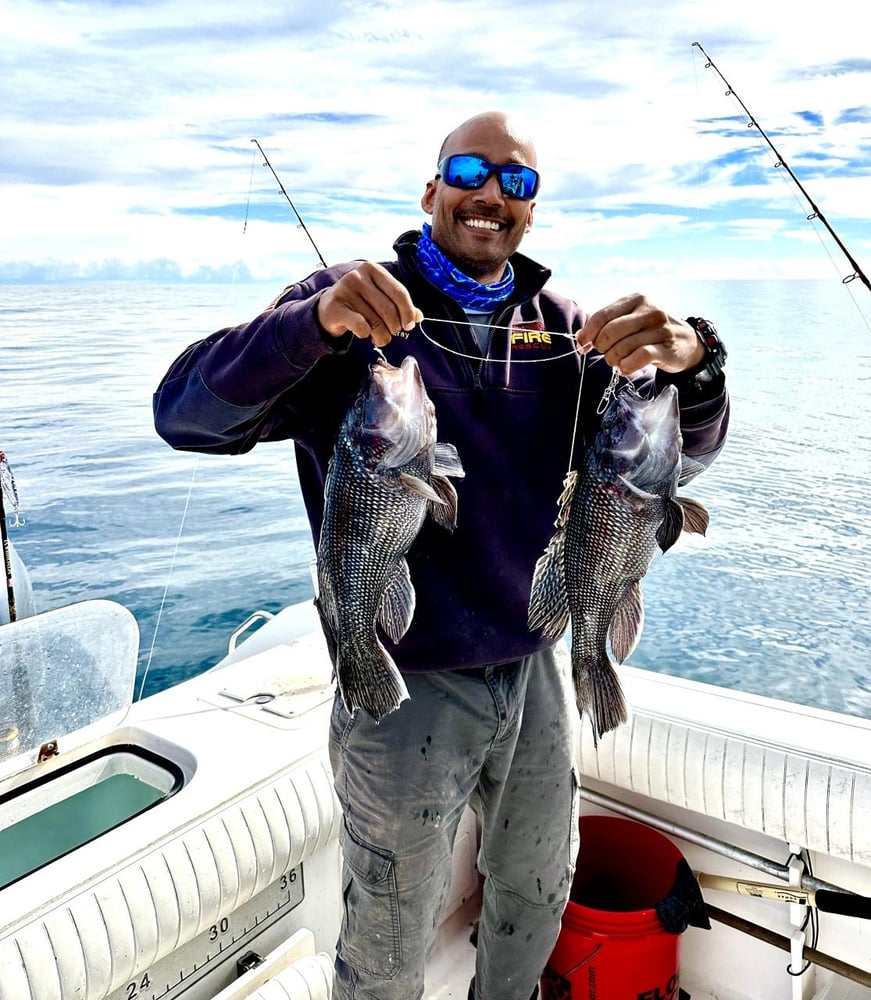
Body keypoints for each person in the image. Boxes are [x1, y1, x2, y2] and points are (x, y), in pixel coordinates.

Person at [153, 111, 729, 1000]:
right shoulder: (348, 305)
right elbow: (184, 415)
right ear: (431, 190)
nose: (491, 192)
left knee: (538, 891)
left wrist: (695, 366)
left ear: (531, 211)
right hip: (406, 677)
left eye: (518, 181)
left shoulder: (567, 331)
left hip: (535, 660)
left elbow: (663, 459)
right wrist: (309, 325)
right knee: (390, 928)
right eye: (469, 169)